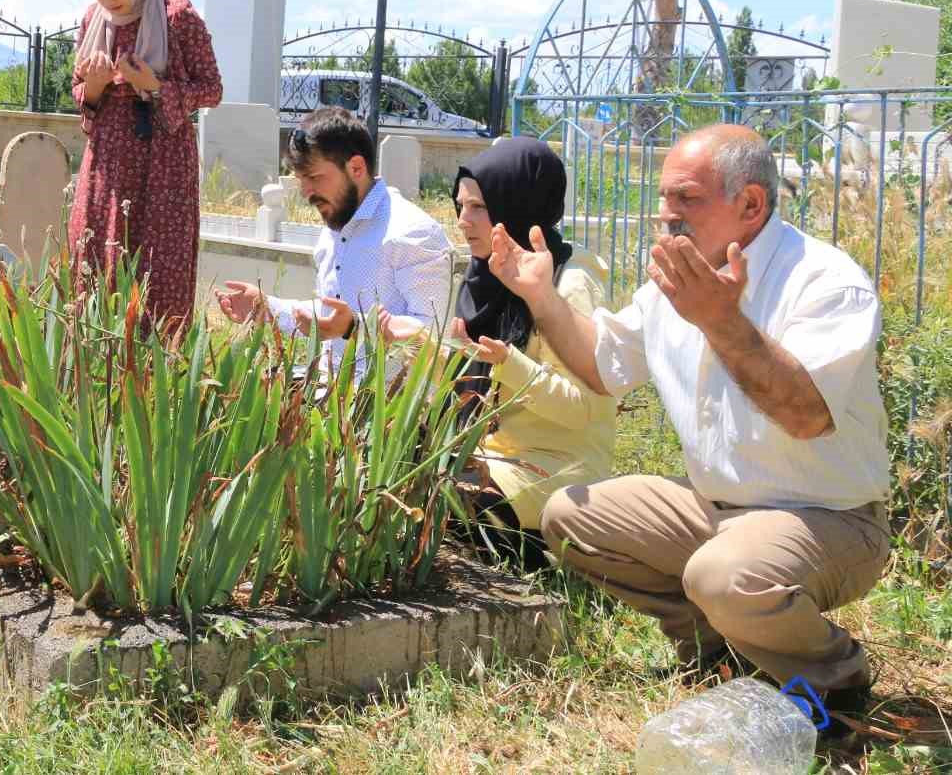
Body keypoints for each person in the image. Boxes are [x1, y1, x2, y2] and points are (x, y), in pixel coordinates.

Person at [489, 124, 890, 710]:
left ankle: (835, 683)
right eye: (663, 198)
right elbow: (602, 368)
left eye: (686, 199)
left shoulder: (823, 281)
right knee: (572, 515)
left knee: (724, 576)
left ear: (750, 203)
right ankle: (720, 653)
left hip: (830, 518)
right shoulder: (676, 283)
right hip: (719, 509)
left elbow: (805, 415)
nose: (664, 215)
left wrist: (718, 319)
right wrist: (541, 296)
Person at [380, 137, 617, 570]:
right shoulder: (485, 278)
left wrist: (508, 362)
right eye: (460, 206)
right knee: (384, 469)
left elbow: (584, 409)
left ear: (516, 205)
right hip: (490, 454)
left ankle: (551, 550)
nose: (463, 221)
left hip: (555, 465)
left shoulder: (570, 285)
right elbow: (470, 384)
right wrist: (416, 347)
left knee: (438, 505)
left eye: (478, 208)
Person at [215, 107, 452, 378]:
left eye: (315, 178)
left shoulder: (412, 232)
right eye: (301, 179)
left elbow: (436, 343)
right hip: (329, 394)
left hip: (388, 410)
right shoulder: (335, 227)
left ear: (356, 168)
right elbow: (331, 316)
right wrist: (267, 307)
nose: (306, 192)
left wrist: (355, 327)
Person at [66, 0, 223, 328]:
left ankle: (157, 378)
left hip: (163, 163)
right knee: (96, 263)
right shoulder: (93, 20)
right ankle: (98, 374)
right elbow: (80, 92)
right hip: (107, 163)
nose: (108, 1)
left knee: (159, 271)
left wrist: (154, 86)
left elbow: (211, 90)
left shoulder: (177, 16)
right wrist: (95, 87)